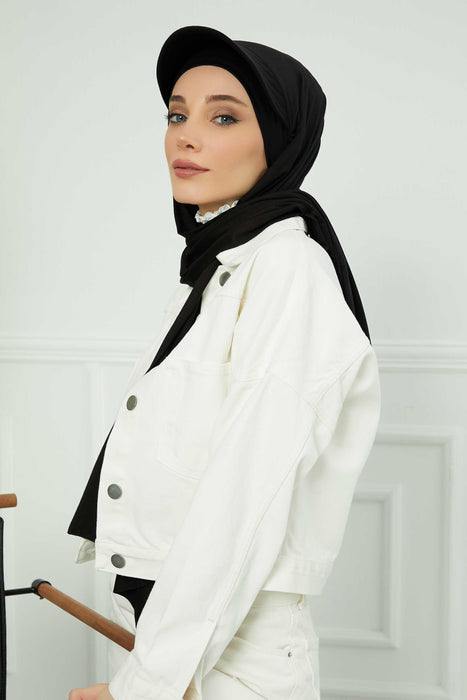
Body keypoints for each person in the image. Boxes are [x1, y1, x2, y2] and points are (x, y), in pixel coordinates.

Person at [67, 25, 381, 700]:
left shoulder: (288, 270)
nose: (185, 137)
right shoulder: (222, 269)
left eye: (223, 117)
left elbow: (248, 494)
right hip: (177, 629)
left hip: (233, 653)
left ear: (281, 139)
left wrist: (144, 686)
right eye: (176, 115)